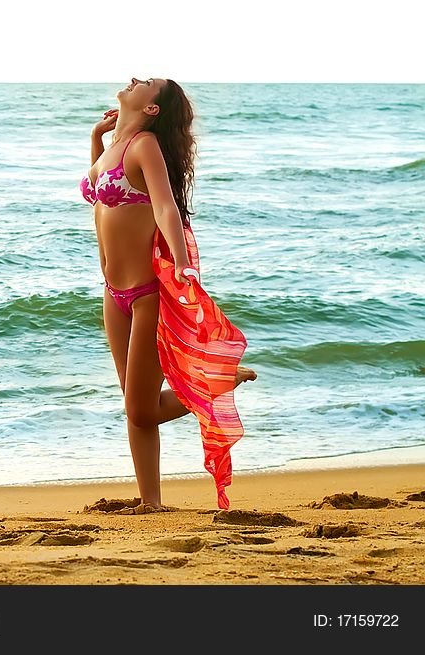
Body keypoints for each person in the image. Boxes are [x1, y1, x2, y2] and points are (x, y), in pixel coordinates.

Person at [81, 77, 257, 510]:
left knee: (142, 410)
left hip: (146, 295)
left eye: (148, 83)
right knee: (133, 406)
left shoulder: (144, 145)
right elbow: (97, 193)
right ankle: (151, 500)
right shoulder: (113, 146)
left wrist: (182, 262)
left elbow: (165, 206)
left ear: (153, 108)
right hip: (113, 292)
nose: (136, 79)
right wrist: (95, 137)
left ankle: (211, 383)